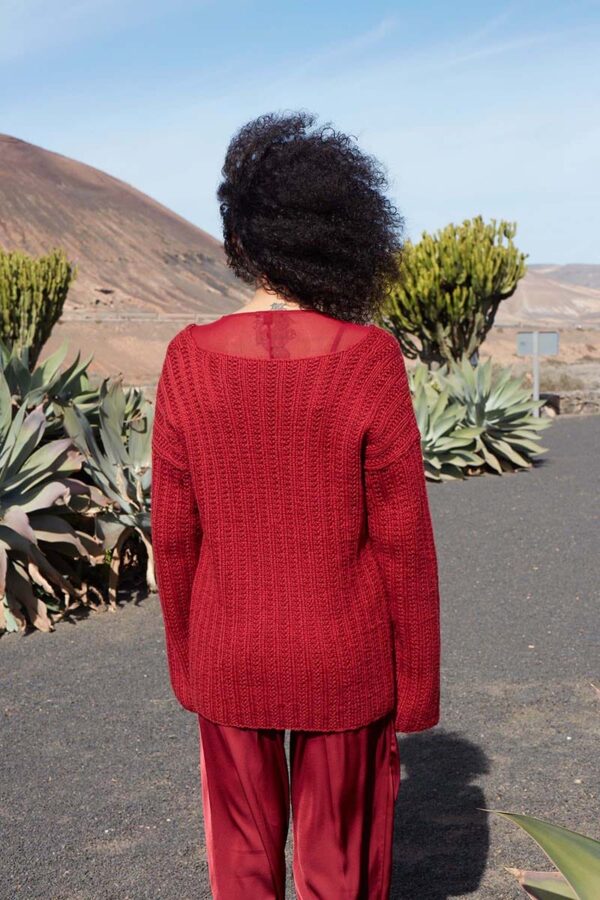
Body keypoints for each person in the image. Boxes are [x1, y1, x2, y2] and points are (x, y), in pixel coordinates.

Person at [151, 110, 441, 899]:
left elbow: (173, 536)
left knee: (242, 867)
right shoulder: (369, 358)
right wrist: (416, 689)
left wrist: (189, 666)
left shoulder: (187, 358)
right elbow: (404, 540)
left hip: (229, 651)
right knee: (337, 870)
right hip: (344, 657)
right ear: (341, 235)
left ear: (241, 239)